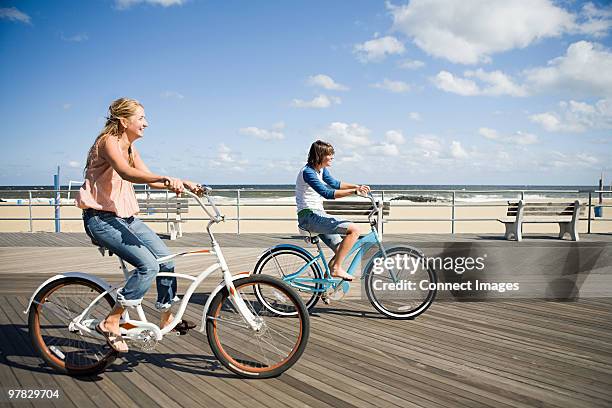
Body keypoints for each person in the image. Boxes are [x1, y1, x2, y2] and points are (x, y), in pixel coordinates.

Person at [75, 97, 204, 353]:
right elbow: (126, 172)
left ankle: (166, 315)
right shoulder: (108, 142)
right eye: (141, 118)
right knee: (148, 265)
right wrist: (166, 177)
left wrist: (183, 182)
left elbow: (149, 180)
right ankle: (112, 320)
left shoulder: (131, 148)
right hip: (101, 219)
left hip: (126, 218)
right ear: (124, 121)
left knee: (166, 260)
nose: (146, 123)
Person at [295, 140, 370, 281]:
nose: (332, 157)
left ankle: (325, 285)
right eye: (329, 155)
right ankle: (335, 269)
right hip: (309, 216)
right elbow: (327, 193)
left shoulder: (321, 170)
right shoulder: (308, 172)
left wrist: (358, 187)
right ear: (320, 155)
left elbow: (335, 183)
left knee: (342, 249)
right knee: (354, 230)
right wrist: (354, 191)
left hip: (317, 215)